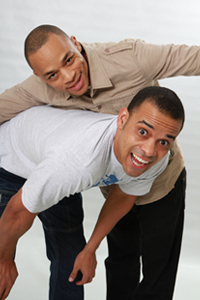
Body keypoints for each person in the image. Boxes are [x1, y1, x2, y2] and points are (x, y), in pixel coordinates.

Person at [0, 24, 195, 299]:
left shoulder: (156, 153)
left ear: (76, 45)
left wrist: (89, 249)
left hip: (148, 182)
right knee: (119, 259)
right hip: (27, 165)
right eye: (52, 74)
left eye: (68, 60)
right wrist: (5, 259)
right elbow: (17, 212)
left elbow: (124, 195)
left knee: (146, 265)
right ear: (123, 119)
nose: (68, 77)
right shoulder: (76, 161)